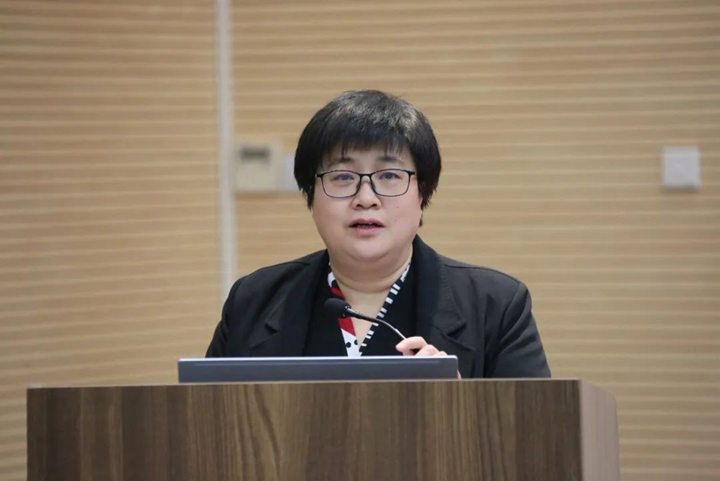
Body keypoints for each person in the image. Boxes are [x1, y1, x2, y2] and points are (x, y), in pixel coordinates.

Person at [206, 90, 550, 378]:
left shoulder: (497, 306)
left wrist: (460, 405)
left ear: (422, 193)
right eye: (343, 177)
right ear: (311, 195)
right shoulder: (253, 301)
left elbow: (536, 434)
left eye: (389, 176)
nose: (366, 198)